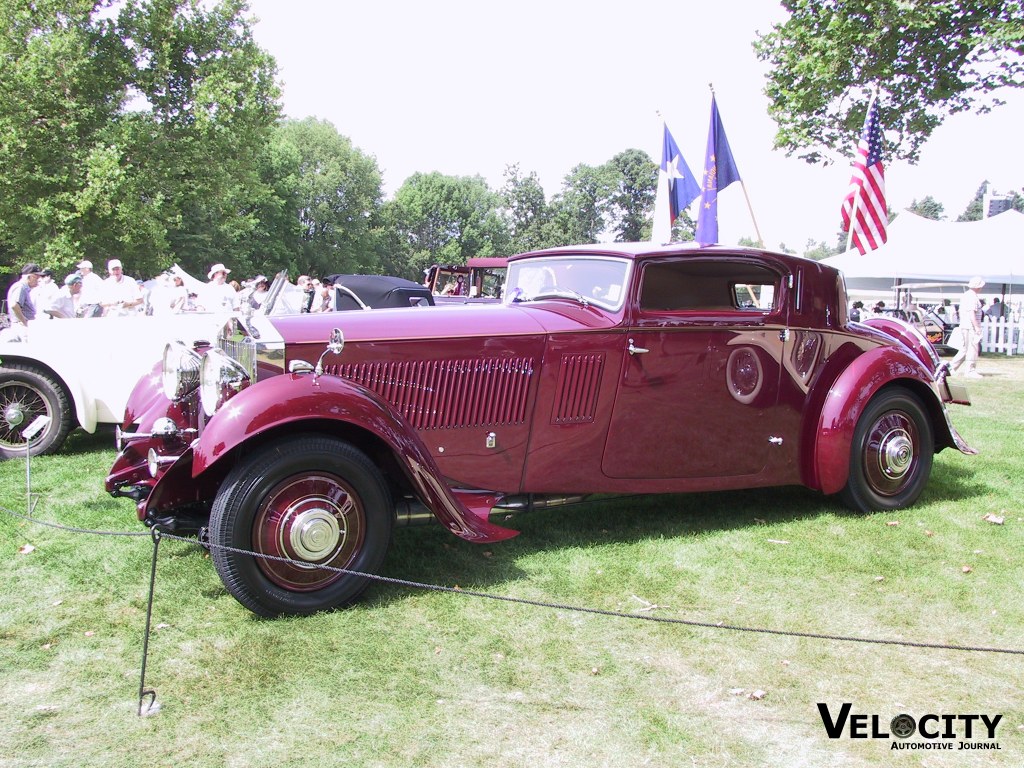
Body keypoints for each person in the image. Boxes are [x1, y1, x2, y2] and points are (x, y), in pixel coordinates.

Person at [950, 276, 985, 379]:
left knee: (964, 349)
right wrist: (977, 327)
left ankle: (951, 368)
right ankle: (970, 370)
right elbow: (972, 313)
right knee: (973, 349)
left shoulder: (966, 295)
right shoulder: (972, 297)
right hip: (970, 326)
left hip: (965, 325)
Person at [6, 263, 44, 337]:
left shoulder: (24, 288)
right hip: (21, 327)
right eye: (36, 277)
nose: (38, 280)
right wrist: (24, 322)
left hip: (23, 326)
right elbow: (14, 305)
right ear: (29, 277)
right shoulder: (20, 287)